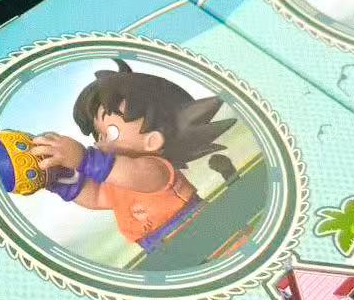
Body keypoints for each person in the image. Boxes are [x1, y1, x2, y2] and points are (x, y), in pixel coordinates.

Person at [28, 59, 236, 253]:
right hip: (157, 246)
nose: (100, 143)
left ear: (152, 141)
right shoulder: (117, 178)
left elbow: (129, 173)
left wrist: (84, 159)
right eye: (99, 135)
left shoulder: (156, 169)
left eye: (111, 133)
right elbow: (97, 196)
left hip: (198, 228)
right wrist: (60, 180)